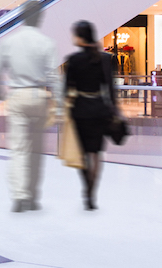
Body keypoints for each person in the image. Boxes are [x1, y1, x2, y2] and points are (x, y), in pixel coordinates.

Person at [0, 0, 58, 212]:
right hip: (39, 96)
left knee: (19, 149)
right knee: (36, 150)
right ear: (40, 18)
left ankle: (19, 197)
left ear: (22, 18)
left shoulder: (9, 42)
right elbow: (54, 77)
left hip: (17, 96)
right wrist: (61, 104)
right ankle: (33, 198)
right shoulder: (47, 43)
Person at [64, 20, 117, 210]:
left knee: (84, 154)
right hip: (100, 110)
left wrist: (68, 109)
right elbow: (110, 89)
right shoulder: (103, 59)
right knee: (96, 154)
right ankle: (91, 193)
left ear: (79, 37)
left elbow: (67, 90)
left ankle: (86, 188)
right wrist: (114, 111)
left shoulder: (73, 60)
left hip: (80, 111)